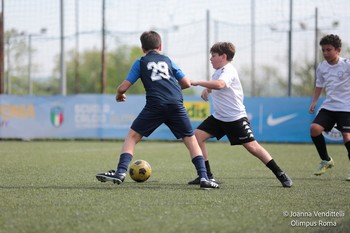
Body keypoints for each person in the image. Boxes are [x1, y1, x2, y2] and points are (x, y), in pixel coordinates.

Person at [96, 31, 219, 189]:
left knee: (132, 137)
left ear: (142, 48)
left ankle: (120, 172)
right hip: (176, 103)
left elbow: (124, 86)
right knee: (190, 139)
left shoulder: (141, 62)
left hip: (156, 104)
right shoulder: (168, 60)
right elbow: (187, 83)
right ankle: (204, 177)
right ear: (160, 46)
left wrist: (119, 94)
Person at [189, 42, 293, 188]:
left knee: (253, 147)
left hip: (235, 118)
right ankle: (206, 175)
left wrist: (197, 82)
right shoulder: (218, 71)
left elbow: (220, 84)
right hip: (219, 117)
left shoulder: (228, 70)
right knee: (196, 137)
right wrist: (207, 89)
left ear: (223, 56)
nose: (210, 59)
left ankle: (280, 174)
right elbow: (217, 85)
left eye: (213, 56)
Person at [309, 34, 350, 181]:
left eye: (329, 50)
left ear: (338, 50)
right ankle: (326, 160)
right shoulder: (322, 67)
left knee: (347, 137)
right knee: (314, 129)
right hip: (330, 106)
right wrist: (314, 102)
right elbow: (319, 85)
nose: (325, 53)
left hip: (346, 107)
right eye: (323, 50)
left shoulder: (347, 64)